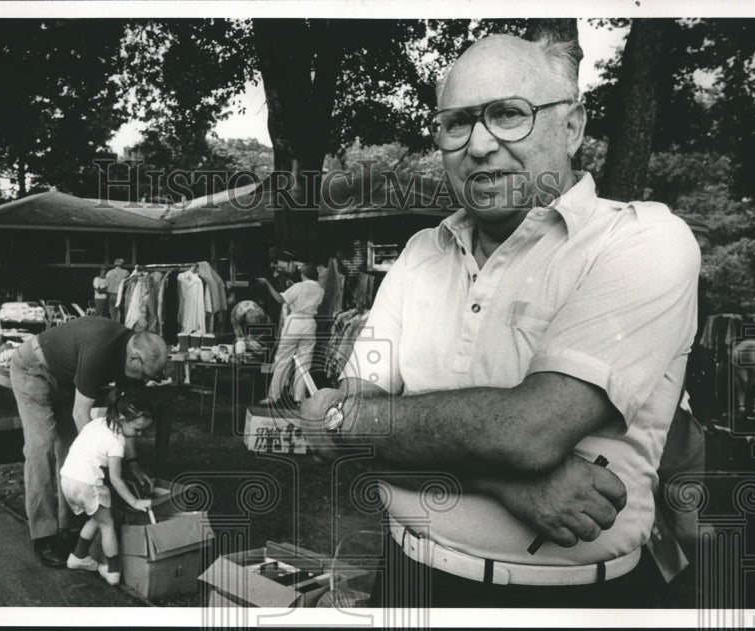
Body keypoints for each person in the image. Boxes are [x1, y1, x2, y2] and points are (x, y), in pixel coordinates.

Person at [300, 33, 700, 608]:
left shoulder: (643, 240)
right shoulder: (420, 254)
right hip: (408, 579)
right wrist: (508, 482)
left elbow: (529, 431)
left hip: (570, 606)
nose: (480, 145)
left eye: (508, 114)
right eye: (456, 123)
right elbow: (345, 444)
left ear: (572, 127)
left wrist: (349, 417)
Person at [9, 316, 168, 567]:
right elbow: (81, 415)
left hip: (65, 377)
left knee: (69, 448)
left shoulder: (129, 358)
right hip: (33, 368)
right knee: (42, 447)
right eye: (147, 375)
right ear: (135, 358)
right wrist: (104, 464)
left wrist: (133, 462)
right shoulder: (101, 350)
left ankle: (68, 527)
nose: (146, 381)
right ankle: (44, 536)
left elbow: (123, 420)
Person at [61, 387, 155, 586]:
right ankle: (112, 571)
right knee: (107, 523)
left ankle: (78, 557)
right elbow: (116, 478)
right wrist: (134, 501)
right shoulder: (117, 441)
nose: (138, 434)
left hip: (68, 479)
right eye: (137, 429)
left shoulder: (97, 423)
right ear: (122, 418)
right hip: (87, 483)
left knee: (98, 516)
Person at [258, 262, 324, 406]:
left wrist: (268, 284)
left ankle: (273, 396)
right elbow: (305, 296)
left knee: (283, 359)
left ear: (304, 274)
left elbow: (280, 299)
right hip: (310, 324)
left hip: (295, 322)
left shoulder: (299, 287)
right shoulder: (320, 289)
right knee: (304, 362)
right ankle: (300, 398)